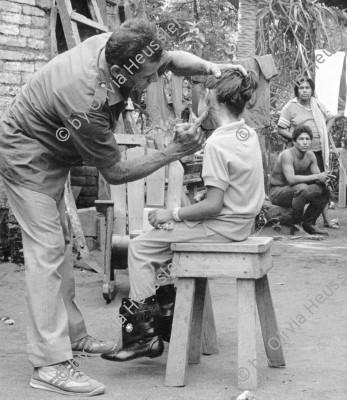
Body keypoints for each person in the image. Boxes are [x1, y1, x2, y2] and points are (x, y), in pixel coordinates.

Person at [0, 18, 246, 396]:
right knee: (45, 251)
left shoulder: (123, 47)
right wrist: (172, 152)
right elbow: (114, 171)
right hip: (26, 155)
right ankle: (49, 364)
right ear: (119, 71)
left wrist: (210, 67)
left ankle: (72, 336)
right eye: (146, 78)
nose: (150, 84)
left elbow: (170, 60)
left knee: (61, 245)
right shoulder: (86, 98)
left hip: (55, 148)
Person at [101, 69, 263, 362]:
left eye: (204, 97)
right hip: (241, 223)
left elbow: (213, 207)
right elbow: (234, 188)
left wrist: (172, 214)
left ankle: (142, 337)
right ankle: (165, 324)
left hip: (221, 227)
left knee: (140, 248)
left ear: (212, 100)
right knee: (159, 245)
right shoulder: (246, 134)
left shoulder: (217, 143)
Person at [277, 77, 338, 229]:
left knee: (322, 184)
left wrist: (324, 132)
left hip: (318, 151)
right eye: (301, 88)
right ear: (297, 91)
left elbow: (332, 117)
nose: (304, 90)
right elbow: (281, 129)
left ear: (312, 90)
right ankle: (296, 220)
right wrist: (298, 138)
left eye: (307, 88)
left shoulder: (316, 104)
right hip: (301, 154)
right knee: (302, 186)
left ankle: (325, 220)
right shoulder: (290, 107)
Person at [269, 125, 331, 236]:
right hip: (277, 193)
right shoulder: (287, 155)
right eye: (301, 139)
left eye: (308, 139)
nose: (305, 142)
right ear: (294, 141)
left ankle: (309, 224)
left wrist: (325, 178)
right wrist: (317, 177)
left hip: (296, 191)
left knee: (325, 190)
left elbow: (317, 177)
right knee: (302, 187)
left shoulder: (310, 155)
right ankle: (296, 226)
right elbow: (291, 179)